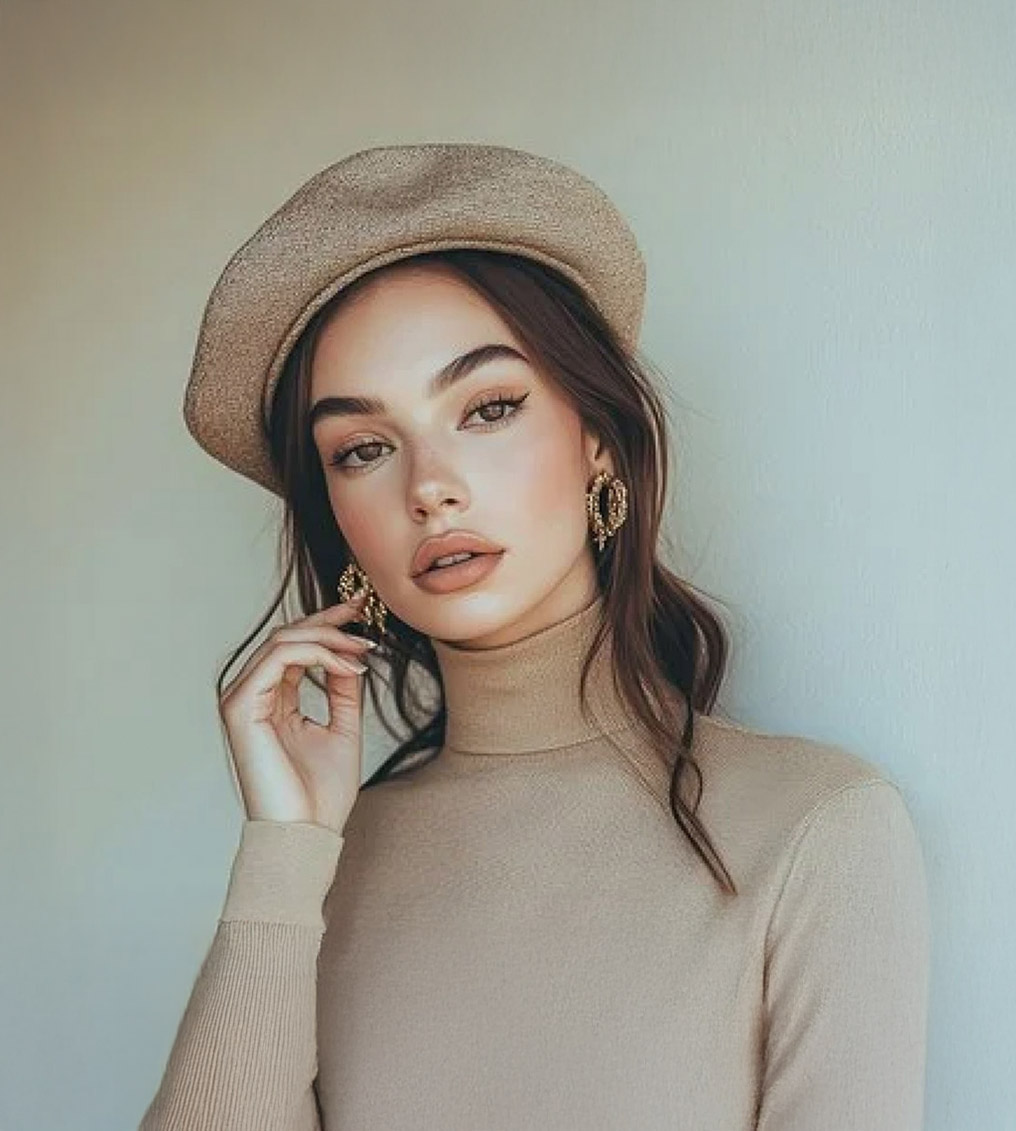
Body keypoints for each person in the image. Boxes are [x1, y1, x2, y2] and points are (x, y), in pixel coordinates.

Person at [139, 143, 930, 1130]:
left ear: (597, 439)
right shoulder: (321, 869)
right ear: (337, 517)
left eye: (489, 407)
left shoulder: (815, 830)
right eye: (364, 448)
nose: (428, 484)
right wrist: (284, 848)